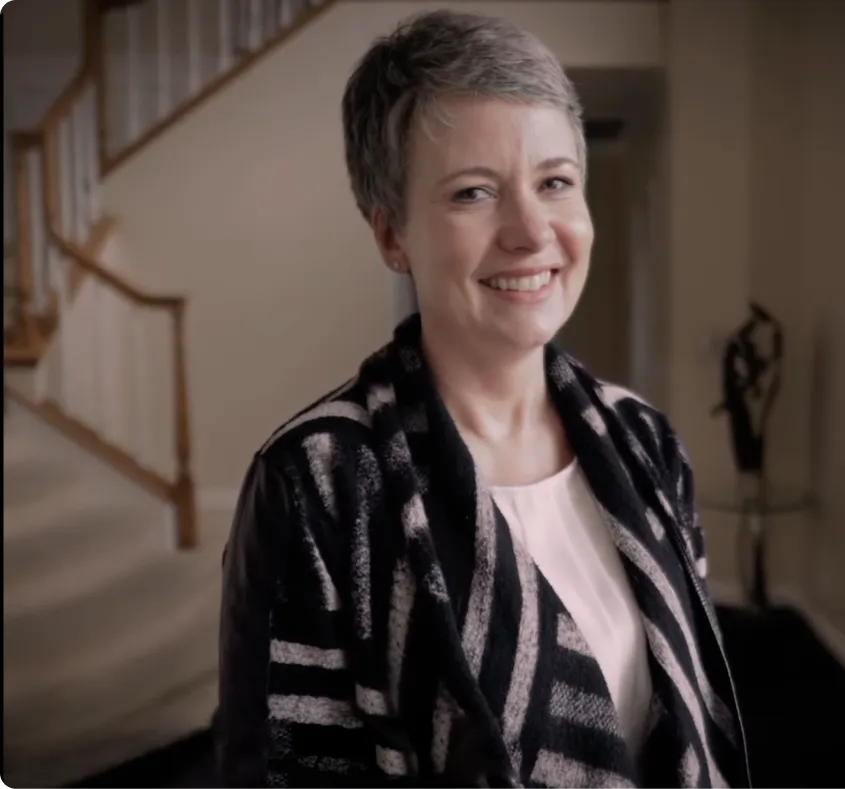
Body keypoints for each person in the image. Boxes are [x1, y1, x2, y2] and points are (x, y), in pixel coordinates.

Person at [214, 11, 750, 788]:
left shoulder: (645, 441)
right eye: (473, 193)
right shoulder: (318, 483)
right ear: (392, 235)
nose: (531, 232)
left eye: (555, 182)